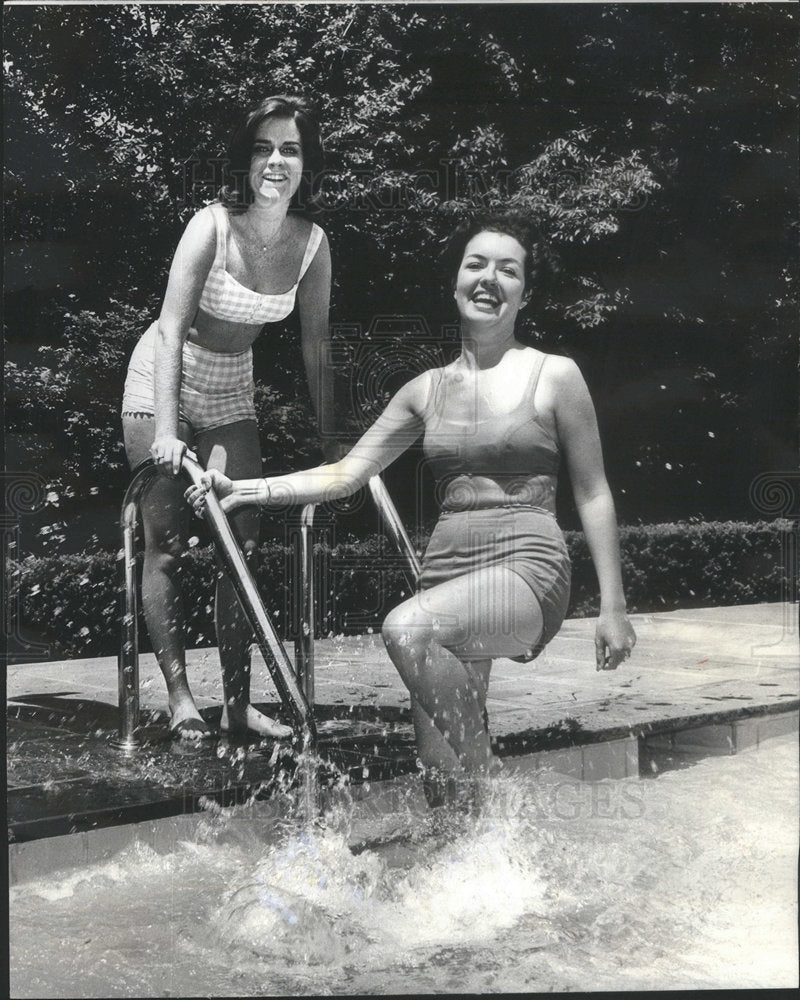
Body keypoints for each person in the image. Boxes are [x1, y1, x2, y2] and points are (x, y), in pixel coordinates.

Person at [186, 212, 636, 806]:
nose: (489, 279)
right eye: (476, 264)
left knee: (407, 628)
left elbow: (594, 491)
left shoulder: (555, 376)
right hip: (448, 574)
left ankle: (498, 792)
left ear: (525, 292)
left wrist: (614, 605)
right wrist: (248, 490)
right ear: (454, 282)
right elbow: (346, 474)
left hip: (527, 568)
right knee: (439, 778)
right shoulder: (425, 389)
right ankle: (484, 870)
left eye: (508, 270)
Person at [122, 95, 332, 741]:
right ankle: (182, 698)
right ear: (245, 159)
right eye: (264, 148)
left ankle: (237, 702)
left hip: (231, 386)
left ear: (305, 164)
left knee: (240, 541)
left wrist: (335, 444)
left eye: (290, 149)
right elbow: (172, 325)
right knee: (167, 545)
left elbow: (315, 347)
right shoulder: (211, 225)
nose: (276, 161)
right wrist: (164, 427)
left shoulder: (312, 245)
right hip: (165, 372)